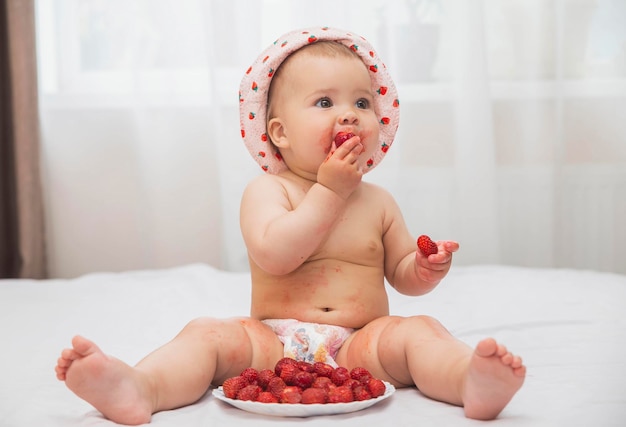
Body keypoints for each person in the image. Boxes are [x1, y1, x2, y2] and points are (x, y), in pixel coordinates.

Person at [55, 27, 525, 425]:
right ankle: (142, 387)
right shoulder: (270, 191)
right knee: (206, 334)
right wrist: (330, 192)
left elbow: (401, 275)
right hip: (271, 343)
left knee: (419, 329)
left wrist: (423, 267)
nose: (349, 114)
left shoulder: (379, 202)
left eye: (362, 102)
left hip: (359, 347)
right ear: (279, 133)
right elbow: (277, 254)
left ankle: (468, 380)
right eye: (324, 101)